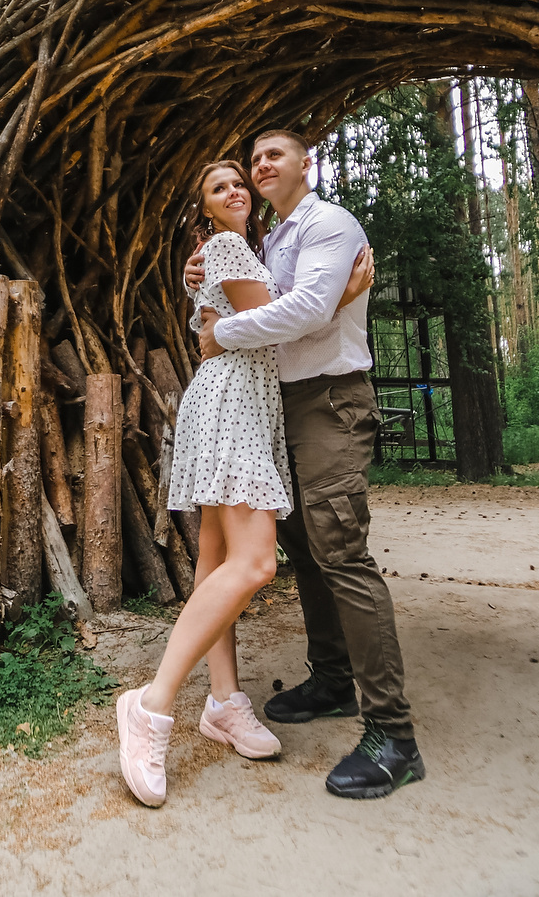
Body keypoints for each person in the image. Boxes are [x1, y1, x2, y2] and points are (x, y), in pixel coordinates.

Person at [115, 157, 373, 808]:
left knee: (215, 562)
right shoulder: (227, 246)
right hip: (233, 404)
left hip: (236, 400)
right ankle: (151, 704)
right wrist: (342, 295)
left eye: (237, 183)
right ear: (202, 207)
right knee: (256, 563)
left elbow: (247, 317)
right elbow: (280, 322)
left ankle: (225, 702)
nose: (233, 190)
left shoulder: (236, 251)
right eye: (218, 187)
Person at [190, 128, 424, 800]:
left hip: (329, 400)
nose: (261, 165)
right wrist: (205, 280)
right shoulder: (269, 242)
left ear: (305, 164)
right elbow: (274, 305)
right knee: (306, 547)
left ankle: (393, 734)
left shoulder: (329, 225)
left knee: (341, 550)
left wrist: (221, 332)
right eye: (253, 159)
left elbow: (305, 310)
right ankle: (332, 679)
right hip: (281, 405)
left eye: (275, 155)